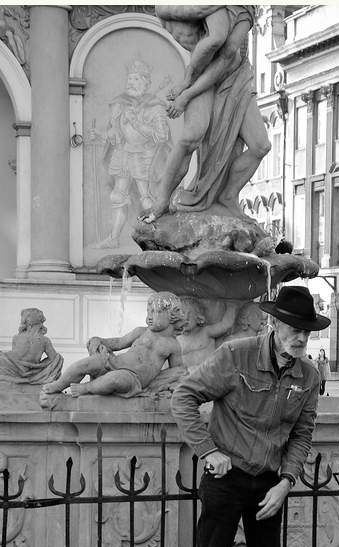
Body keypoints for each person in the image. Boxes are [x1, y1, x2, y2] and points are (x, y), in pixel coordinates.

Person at [170, 284, 331, 547]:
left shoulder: (309, 376)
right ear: (275, 324)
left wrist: (287, 481)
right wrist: (208, 452)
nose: (301, 337)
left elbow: (302, 434)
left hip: (269, 486)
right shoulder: (236, 356)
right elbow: (184, 396)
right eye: (294, 328)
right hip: (227, 479)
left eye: (307, 331)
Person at [141, 5, 270, 221]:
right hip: (200, 75)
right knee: (191, 137)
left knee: (261, 145)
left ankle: (228, 197)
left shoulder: (243, 9)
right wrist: (188, 88)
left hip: (233, 76)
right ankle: (162, 201)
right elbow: (208, 30)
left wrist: (186, 91)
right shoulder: (167, 7)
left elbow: (227, 53)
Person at [89, 57, 172, 249]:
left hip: (145, 157)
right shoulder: (121, 104)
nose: (130, 82)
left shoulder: (155, 107)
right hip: (124, 154)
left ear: (144, 81)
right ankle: (113, 238)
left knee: (146, 198)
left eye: (135, 78)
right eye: (129, 78)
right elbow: (117, 134)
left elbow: (161, 135)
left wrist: (139, 125)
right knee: (118, 197)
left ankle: (158, 239)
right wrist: (101, 135)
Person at [40, 292, 186, 401]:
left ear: (172, 315)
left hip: (133, 378)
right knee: (85, 364)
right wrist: (100, 340)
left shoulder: (173, 345)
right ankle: (58, 385)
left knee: (114, 379)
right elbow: (119, 343)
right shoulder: (141, 331)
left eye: (156, 312)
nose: (149, 316)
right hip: (114, 361)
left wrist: (162, 385)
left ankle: (86, 388)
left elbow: (176, 372)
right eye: (149, 311)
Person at [0, 308, 63, 385]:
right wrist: (39, 367)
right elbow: (55, 359)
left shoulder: (17, 337)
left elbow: (18, 356)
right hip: (22, 369)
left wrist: (38, 367)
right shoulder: (45, 340)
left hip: (7, 364)